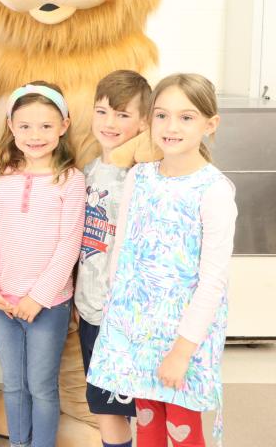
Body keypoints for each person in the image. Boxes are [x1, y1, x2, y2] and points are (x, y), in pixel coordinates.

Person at [88, 74, 237, 447]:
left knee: (182, 431)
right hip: (136, 332)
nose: (171, 127)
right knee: (148, 425)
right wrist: (116, 322)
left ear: (210, 124)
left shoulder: (214, 190)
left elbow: (213, 281)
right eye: (161, 115)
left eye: (186, 117)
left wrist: (181, 352)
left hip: (183, 338)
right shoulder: (140, 177)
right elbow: (122, 252)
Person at [0, 82, 85, 447]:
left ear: (64, 126)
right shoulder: (0, 176)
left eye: (45, 126)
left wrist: (37, 298)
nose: (34, 135)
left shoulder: (71, 181)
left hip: (48, 304)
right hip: (4, 300)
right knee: (15, 385)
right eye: (24, 126)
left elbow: (68, 245)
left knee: (41, 386)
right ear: (10, 126)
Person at [74, 71, 151, 447]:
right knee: (104, 406)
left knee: (139, 407)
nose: (110, 122)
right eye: (102, 111)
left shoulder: (145, 178)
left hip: (126, 316)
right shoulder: (88, 171)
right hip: (90, 311)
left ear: (144, 122)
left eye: (122, 115)